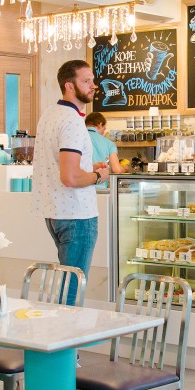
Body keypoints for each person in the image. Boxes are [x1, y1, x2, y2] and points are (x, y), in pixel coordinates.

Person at [33, 60, 108, 304]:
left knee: (66, 287)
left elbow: (61, 165)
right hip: (77, 215)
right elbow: (71, 177)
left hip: (55, 213)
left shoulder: (49, 114)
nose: (93, 85)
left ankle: (60, 328)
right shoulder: (72, 120)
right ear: (69, 85)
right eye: (86, 81)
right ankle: (66, 331)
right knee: (71, 294)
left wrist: (89, 166)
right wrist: (99, 176)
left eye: (92, 80)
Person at [85, 111, 124, 191]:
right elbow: (116, 170)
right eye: (104, 129)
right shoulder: (109, 143)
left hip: (80, 188)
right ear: (100, 124)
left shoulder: (77, 138)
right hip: (100, 189)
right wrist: (125, 168)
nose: (103, 132)